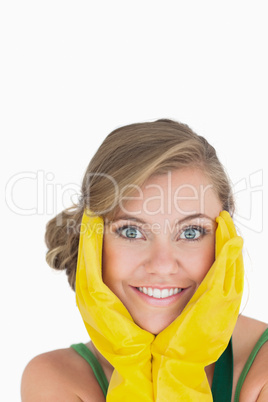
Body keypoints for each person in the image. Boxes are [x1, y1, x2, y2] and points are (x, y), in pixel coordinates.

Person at [21, 119, 268, 401]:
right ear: (93, 242)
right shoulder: (57, 378)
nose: (162, 264)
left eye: (190, 232)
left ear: (224, 241)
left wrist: (181, 364)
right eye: (131, 231)